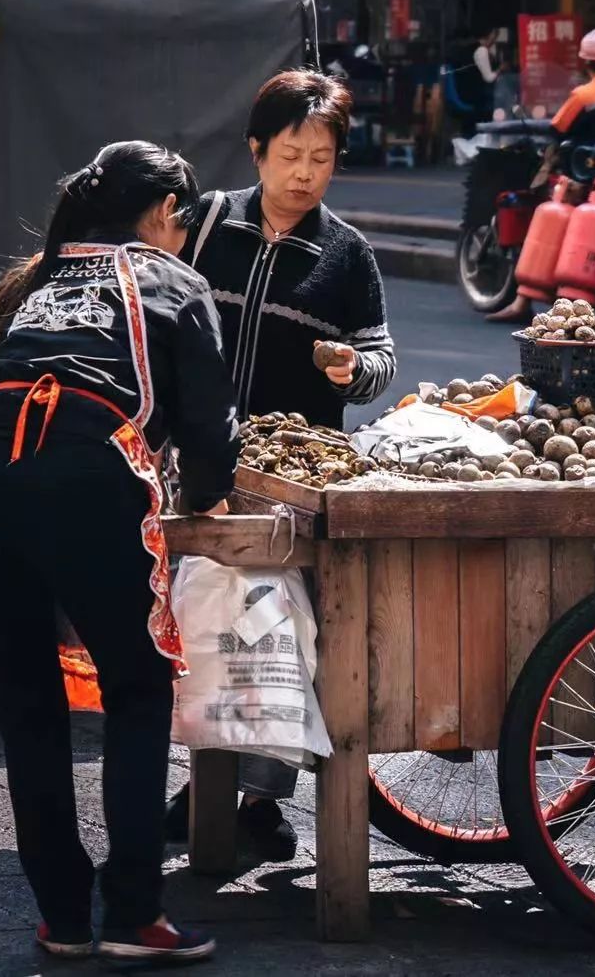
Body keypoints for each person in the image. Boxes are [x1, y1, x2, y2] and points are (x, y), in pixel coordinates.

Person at [0, 141, 240, 966]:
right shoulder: (173, 279)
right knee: (138, 689)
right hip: (85, 468)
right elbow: (213, 436)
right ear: (163, 216)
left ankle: (65, 919)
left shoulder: (36, 278)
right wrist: (206, 504)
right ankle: (137, 914)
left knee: (27, 706)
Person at [164, 69, 396, 852]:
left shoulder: (346, 253)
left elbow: (380, 353)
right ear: (258, 150)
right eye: (292, 153)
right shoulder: (202, 225)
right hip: (193, 459)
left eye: (322, 158)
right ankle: (209, 781)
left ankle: (253, 801)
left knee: (272, 627)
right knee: (198, 619)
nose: (304, 173)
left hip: (287, 476)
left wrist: (352, 372)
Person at [485, 30, 595, 324]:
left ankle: (522, 300)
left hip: (591, 178)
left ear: (585, 63)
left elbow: (557, 128)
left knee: (548, 211)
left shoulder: (583, 96)